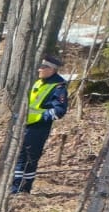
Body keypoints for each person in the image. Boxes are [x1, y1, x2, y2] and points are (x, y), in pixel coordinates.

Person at [11, 54, 69, 196]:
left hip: (39, 128)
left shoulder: (58, 86)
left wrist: (40, 117)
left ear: (52, 70)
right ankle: (15, 189)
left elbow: (59, 111)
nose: (39, 70)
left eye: (43, 67)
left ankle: (23, 189)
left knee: (30, 158)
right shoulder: (38, 83)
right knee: (20, 157)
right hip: (26, 125)